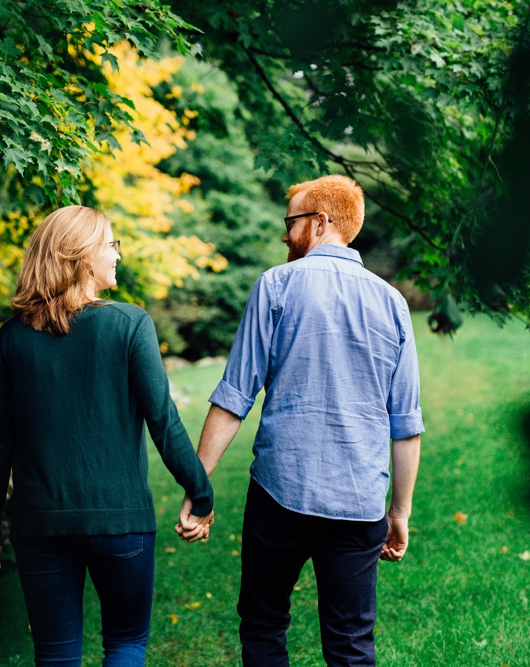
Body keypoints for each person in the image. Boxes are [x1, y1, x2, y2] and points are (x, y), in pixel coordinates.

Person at [176, 175, 424, 666]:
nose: (284, 235)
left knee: (264, 625)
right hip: (360, 502)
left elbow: (233, 397)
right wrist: (399, 513)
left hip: (279, 496)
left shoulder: (275, 285)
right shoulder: (392, 302)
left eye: (290, 223)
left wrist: (197, 486)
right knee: (352, 642)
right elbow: (405, 422)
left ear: (319, 222)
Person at [0, 205, 215, 667]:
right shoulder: (130, 324)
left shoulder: (11, 338)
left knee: (56, 655)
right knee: (125, 645)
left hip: (40, 525)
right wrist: (199, 494)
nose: (117, 255)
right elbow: (163, 421)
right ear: (81, 256)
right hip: (120, 523)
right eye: (110, 245)